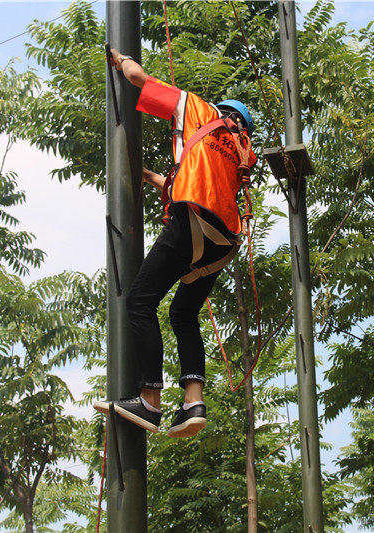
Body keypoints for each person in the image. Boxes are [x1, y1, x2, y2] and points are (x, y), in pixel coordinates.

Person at [93, 49, 257, 438]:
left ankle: (149, 401)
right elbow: (198, 181)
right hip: (222, 242)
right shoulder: (237, 150)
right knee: (183, 315)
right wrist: (146, 175)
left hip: (191, 221)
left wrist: (123, 59)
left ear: (219, 112)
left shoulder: (197, 109)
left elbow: (138, 80)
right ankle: (193, 403)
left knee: (140, 301)